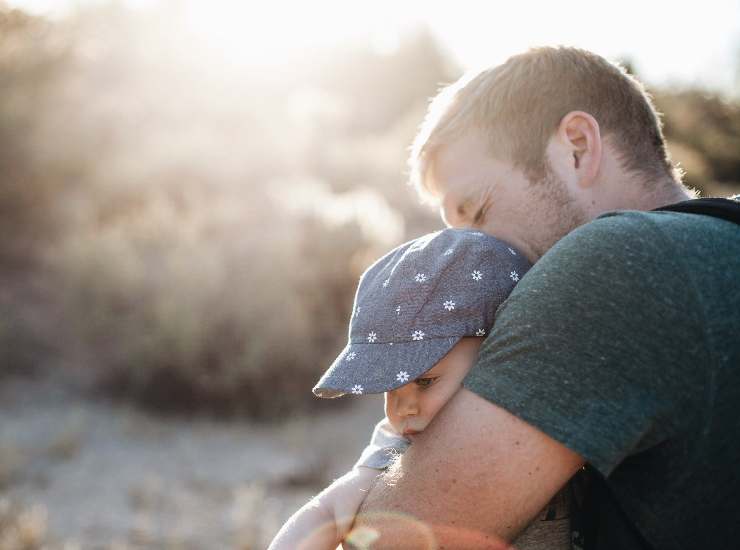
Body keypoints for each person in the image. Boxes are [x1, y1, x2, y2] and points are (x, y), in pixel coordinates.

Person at [348, 46, 740, 549]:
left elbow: (392, 542)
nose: (466, 254)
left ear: (577, 146)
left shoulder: (614, 262)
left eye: (478, 211)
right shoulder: (716, 245)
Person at [268, 228, 572, 550]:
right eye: (389, 388)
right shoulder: (399, 444)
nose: (402, 409)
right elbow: (328, 510)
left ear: (496, 352)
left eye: (424, 381)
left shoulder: (550, 410)